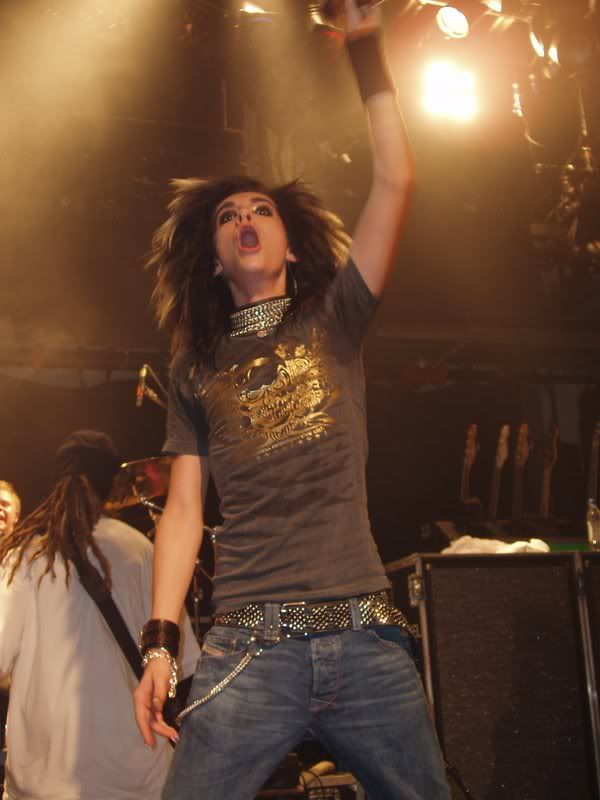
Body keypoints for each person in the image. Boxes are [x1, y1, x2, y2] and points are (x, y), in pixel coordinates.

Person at [134, 2, 451, 798]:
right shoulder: (195, 366)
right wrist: (160, 642)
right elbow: (183, 511)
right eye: (228, 216)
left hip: (365, 634)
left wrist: (366, 49)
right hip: (249, 646)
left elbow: (396, 181)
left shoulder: (335, 316)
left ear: (289, 243)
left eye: (261, 210)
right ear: (214, 259)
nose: (245, 218)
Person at [0, 431, 200, 800]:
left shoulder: (26, 557)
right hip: (138, 778)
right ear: (113, 484)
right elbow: (182, 661)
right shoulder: (143, 551)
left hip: (43, 784)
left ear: (57, 482)